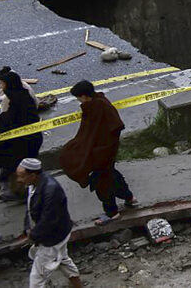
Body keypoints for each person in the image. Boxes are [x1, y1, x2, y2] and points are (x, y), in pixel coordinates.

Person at [59, 81, 137, 226]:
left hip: (102, 151)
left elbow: (112, 127)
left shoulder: (98, 107)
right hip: (103, 150)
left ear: (84, 96)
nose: (79, 101)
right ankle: (129, 197)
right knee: (111, 175)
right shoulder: (98, 103)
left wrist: (99, 149)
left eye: (79, 98)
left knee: (101, 182)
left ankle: (112, 212)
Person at [16, 158, 83, 288]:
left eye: (22, 176)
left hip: (53, 238)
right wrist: (27, 229)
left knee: (37, 278)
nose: (19, 180)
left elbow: (49, 220)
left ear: (33, 175)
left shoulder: (51, 190)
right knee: (63, 260)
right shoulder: (34, 185)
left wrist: (33, 235)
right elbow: (30, 209)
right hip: (56, 233)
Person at [0, 69, 43, 201]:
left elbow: (8, 123)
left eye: (2, 83)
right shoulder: (22, 95)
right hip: (29, 139)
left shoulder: (12, 100)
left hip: (22, 143)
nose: (0, 86)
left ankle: (20, 194)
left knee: (14, 168)